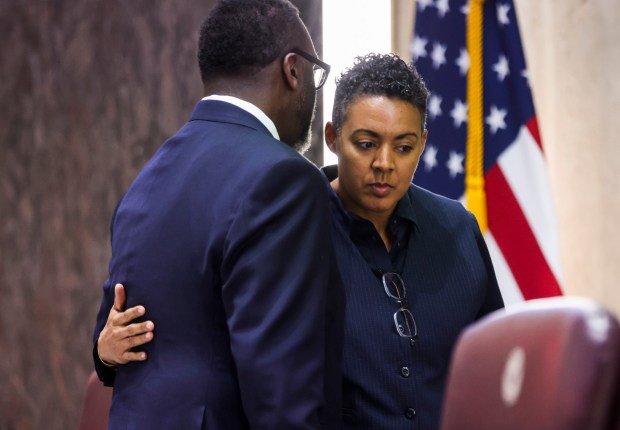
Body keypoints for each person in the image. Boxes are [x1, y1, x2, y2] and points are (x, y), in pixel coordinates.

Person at [98, 53, 504, 429]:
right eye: (366, 144)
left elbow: (492, 366)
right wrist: (105, 348)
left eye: (403, 147)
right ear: (331, 136)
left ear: (423, 145)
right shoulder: (287, 225)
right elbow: (208, 341)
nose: (384, 164)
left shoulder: (458, 229)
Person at [92, 1, 345, 429]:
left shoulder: (149, 178)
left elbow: (109, 345)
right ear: (293, 70)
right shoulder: (285, 180)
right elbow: (282, 390)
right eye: (316, 75)